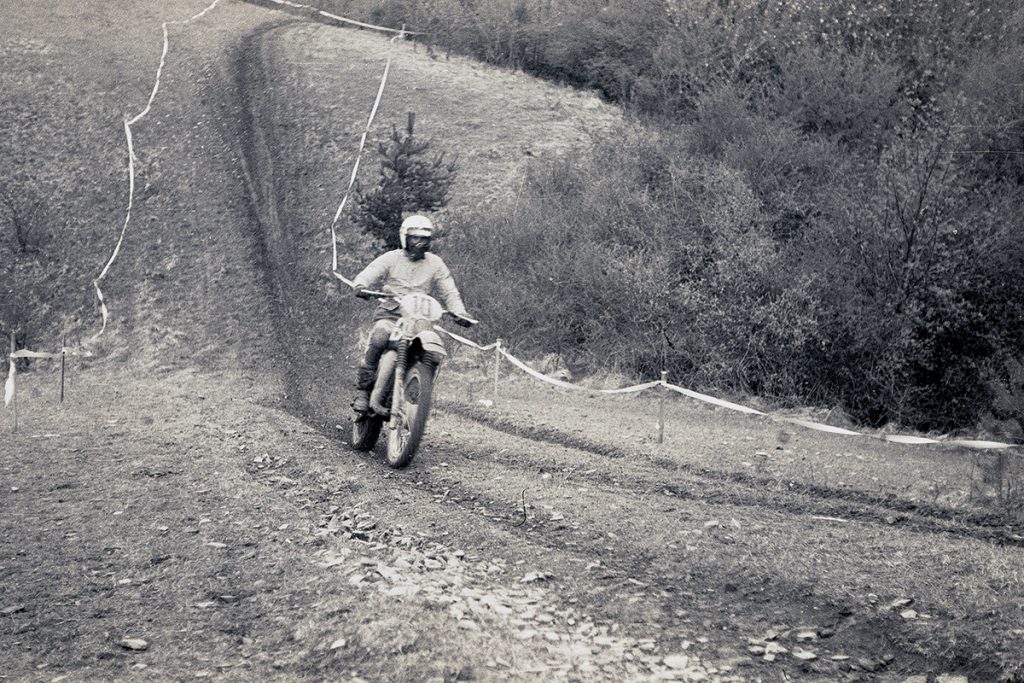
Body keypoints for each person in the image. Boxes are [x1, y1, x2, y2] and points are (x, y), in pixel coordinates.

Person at [350, 214, 473, 413]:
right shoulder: (392, 258)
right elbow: (371, 271)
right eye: (415, 237)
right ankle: (363, 392)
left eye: (424, 239)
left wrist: (460, 312)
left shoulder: (435, 263)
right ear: (405, 238)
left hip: (420, 319)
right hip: (391, 315)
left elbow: (449, 291)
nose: (420, 243)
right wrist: (361, 285)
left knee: (432, 350)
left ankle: (418, 396)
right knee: (379, 337)